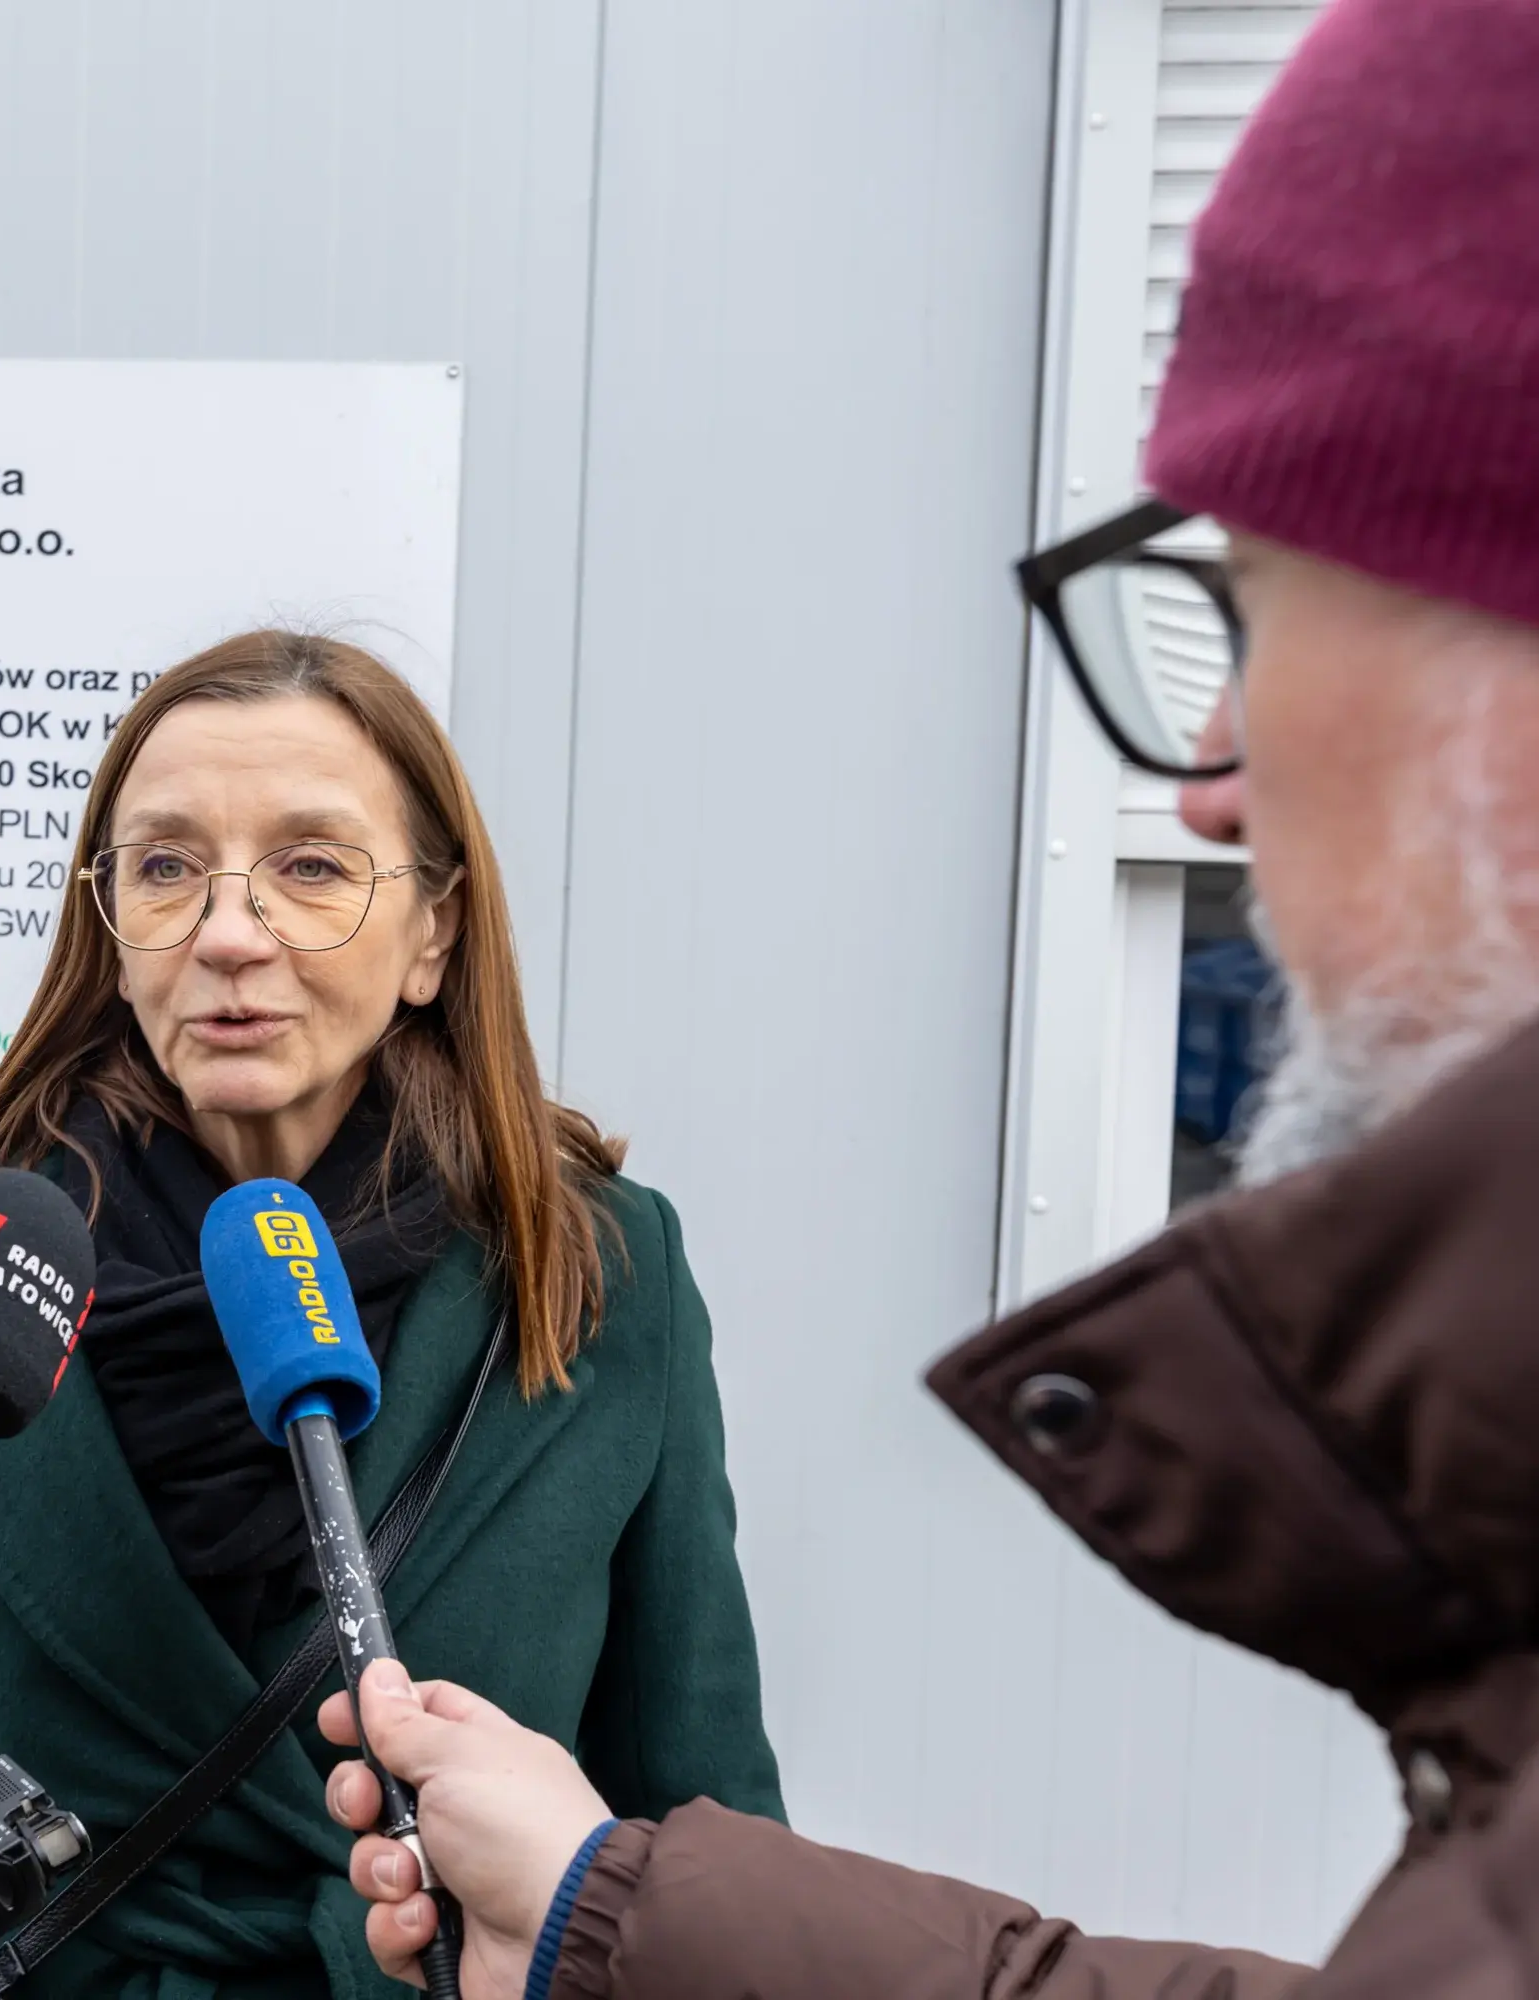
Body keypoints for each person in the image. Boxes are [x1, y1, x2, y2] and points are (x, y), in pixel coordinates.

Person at [324, 0, 1539, 1994]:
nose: (1206, 768)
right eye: (161, 865)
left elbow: (698, 1709)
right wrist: (614, 1913)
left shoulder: (604, 1265)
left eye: (1258, 603)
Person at [0, 632, 784, 1999]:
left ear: (432, 935)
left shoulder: (592, 1268)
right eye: (165, 869)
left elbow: (697, 1810)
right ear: (109, 928)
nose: (230, 932)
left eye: (313, 869)